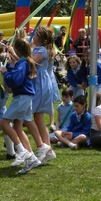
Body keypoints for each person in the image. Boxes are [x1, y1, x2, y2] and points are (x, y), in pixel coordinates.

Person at [0, 38, 43, 174]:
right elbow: (17, 74)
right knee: (17, 127)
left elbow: (15, 80)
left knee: (4, 123)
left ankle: (22, 151)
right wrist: (11, 66)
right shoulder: (23, 62)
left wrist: (5, 71)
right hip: (25, 98)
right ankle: (32, 158)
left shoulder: (23, 64)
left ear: (17, 50)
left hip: (21, 98)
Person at [30, 26, 57, 164]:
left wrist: (14, 53)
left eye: (35, 35)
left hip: (40, 85)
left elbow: (31, 62)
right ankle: (48, 149)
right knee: (38, 117)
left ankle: (42, 147)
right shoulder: (40, 49)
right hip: (39, 83)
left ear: (40, 38)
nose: (33, 36)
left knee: (29, 116)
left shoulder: (41, 50)